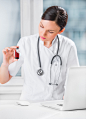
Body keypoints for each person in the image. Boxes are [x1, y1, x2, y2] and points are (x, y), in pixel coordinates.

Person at [0, 6, 79, 102]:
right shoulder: (25, 43)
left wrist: (69, 98)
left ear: (61, 31)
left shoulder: (68, 46)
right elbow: (3, 80)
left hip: (55, 105)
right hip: (28, 104)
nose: (43, 34)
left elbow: (75, 80)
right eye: (41, 26)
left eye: (50, 31)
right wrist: (5, 64)